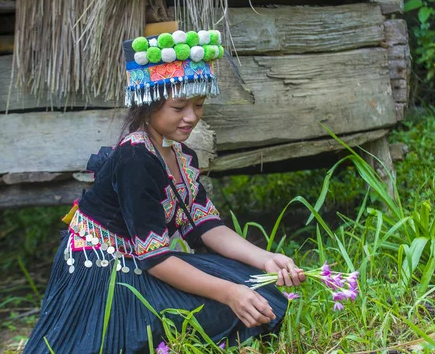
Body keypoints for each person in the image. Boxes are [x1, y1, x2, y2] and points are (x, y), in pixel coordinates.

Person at [22, 30, 305, 354]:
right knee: (229, 299)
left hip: (140, 261)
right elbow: (155, 260)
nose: (191, 117)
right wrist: (229, 292)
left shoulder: (180, 155)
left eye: (198, 105)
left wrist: (267, 259)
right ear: (148, 104)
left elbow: (205, 225)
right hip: (103, 272)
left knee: (257, 285)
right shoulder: (135, 159)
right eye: (179, 107)